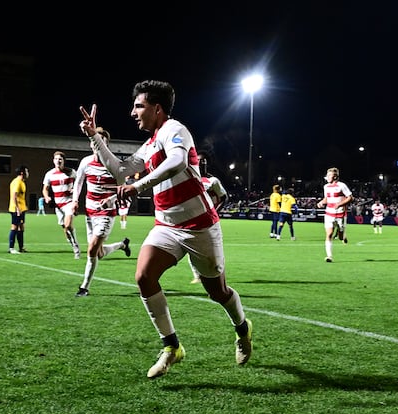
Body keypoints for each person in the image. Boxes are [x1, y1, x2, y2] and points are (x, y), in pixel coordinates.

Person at [79, 79, 252, 379]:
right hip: (167, 226)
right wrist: (95, 137)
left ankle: (242, 328)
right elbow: (120, 170)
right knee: (144, 276)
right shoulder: (149, 144)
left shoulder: (175, 130)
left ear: (157, 108)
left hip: (199, 226)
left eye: (139, 106)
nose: (133, 112)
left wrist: (137, 187)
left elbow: (177, 162)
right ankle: (172, 346)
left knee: (218, 292)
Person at [71, 127, 132, 297]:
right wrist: (75, 201)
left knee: (91, 250)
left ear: (106, 145)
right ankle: (122, 245)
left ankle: (84, 287)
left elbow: (124, 191)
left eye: (102, 142)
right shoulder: (86, 162)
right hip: (90, 213)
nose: (98, 145)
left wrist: (110, 200)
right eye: (95, 141)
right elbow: (78, 182)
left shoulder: (115, 165)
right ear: (91, 144)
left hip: (106, 214)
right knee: (98, 253)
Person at [189, 154, 228, 283]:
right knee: (191, 247)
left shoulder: (212, 181)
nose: (200, 163)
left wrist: (215, 212)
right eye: (198, 160)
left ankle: (218, 275)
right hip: (193, 219)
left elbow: (224, 197)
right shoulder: (190, 179)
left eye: (203, 161)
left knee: (214, 249)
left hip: (210, 221)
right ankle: (197, 275)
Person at [42, 151, 81, 259]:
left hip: (69, 203)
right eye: (56, 159)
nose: (58, 161)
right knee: (65, 230)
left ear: (63, 161)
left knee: (68, 225)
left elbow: (80, 181)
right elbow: (45, 189)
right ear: (53, 161)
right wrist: (47, 197)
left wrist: (75, 189)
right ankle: (72, 244)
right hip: (58, 206)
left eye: (60, 159)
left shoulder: (71, 172)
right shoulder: (49, 174)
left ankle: (76, 248)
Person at [316, 167, 353, 262]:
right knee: (329, 234)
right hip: (329, 213)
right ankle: (329, 256)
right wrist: (321, 202)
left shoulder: (342, 185)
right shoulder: (326, 187)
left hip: (340, 214)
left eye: (330, 175)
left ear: (335, 177)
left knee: (340, 236)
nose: (327, 177)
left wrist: (340, 204)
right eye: (327, 175)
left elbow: (350, 198)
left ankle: (343, 236)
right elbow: (326, 198)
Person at [8, 165, 29, 254]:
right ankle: (11, 248)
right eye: (27, 171)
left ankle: (21, 247)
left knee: (21, 227)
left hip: (21, 208)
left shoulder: (22, 182)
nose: (28, 173)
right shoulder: (17, 182)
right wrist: (17, 208)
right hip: (16, 209)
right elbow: (14, 195)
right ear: (22, 173)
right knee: (14, 227)